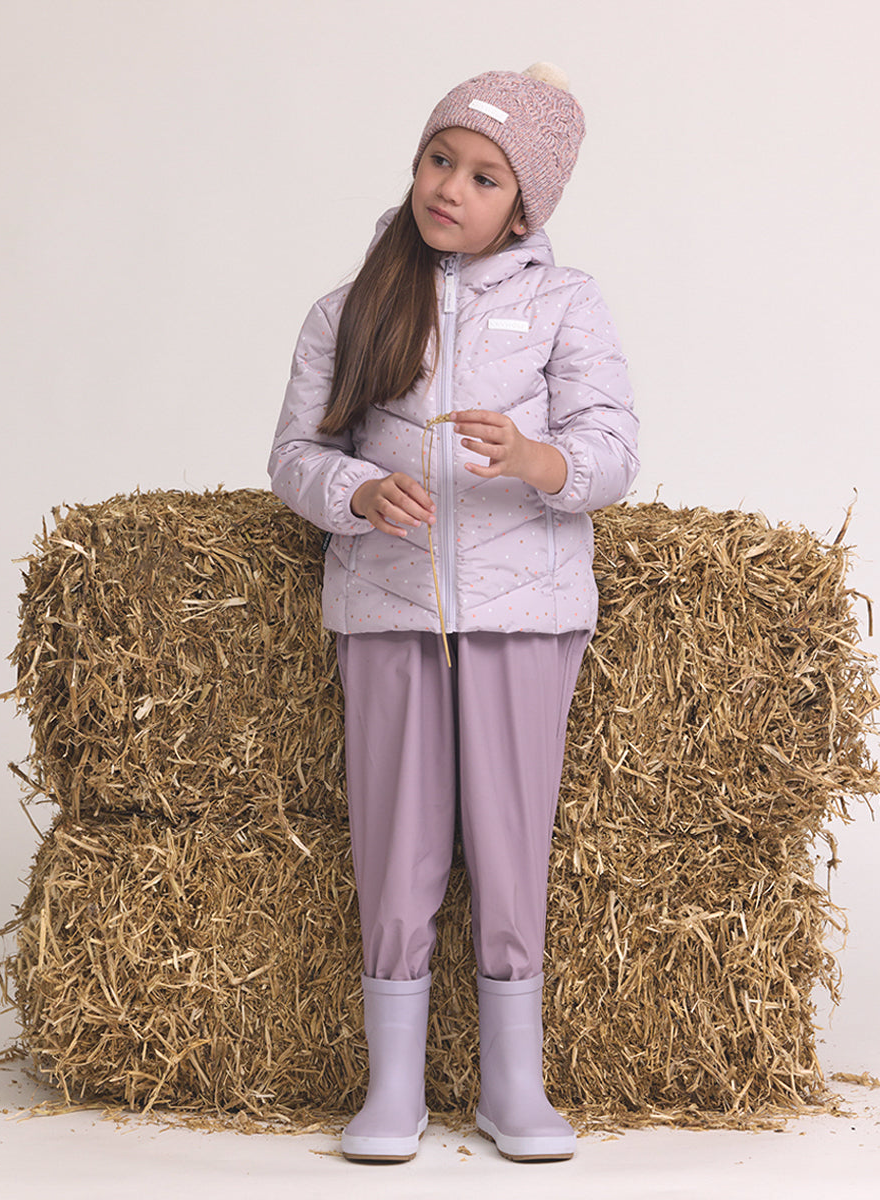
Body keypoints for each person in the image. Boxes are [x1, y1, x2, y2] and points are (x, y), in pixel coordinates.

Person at [268, 63, 639, 1163]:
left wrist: (535, 458)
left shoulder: (567, 305)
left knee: (512, 845)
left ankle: (512, 1085)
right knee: (398, 844)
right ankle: (392, 1087)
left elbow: (612, 450)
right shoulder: (348, 309)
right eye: (442, 159)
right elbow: (295, 456)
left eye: (484, 177)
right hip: (387, 609)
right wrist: (356, 493)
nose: (450, 188)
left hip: (527, 614)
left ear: (524, 209)